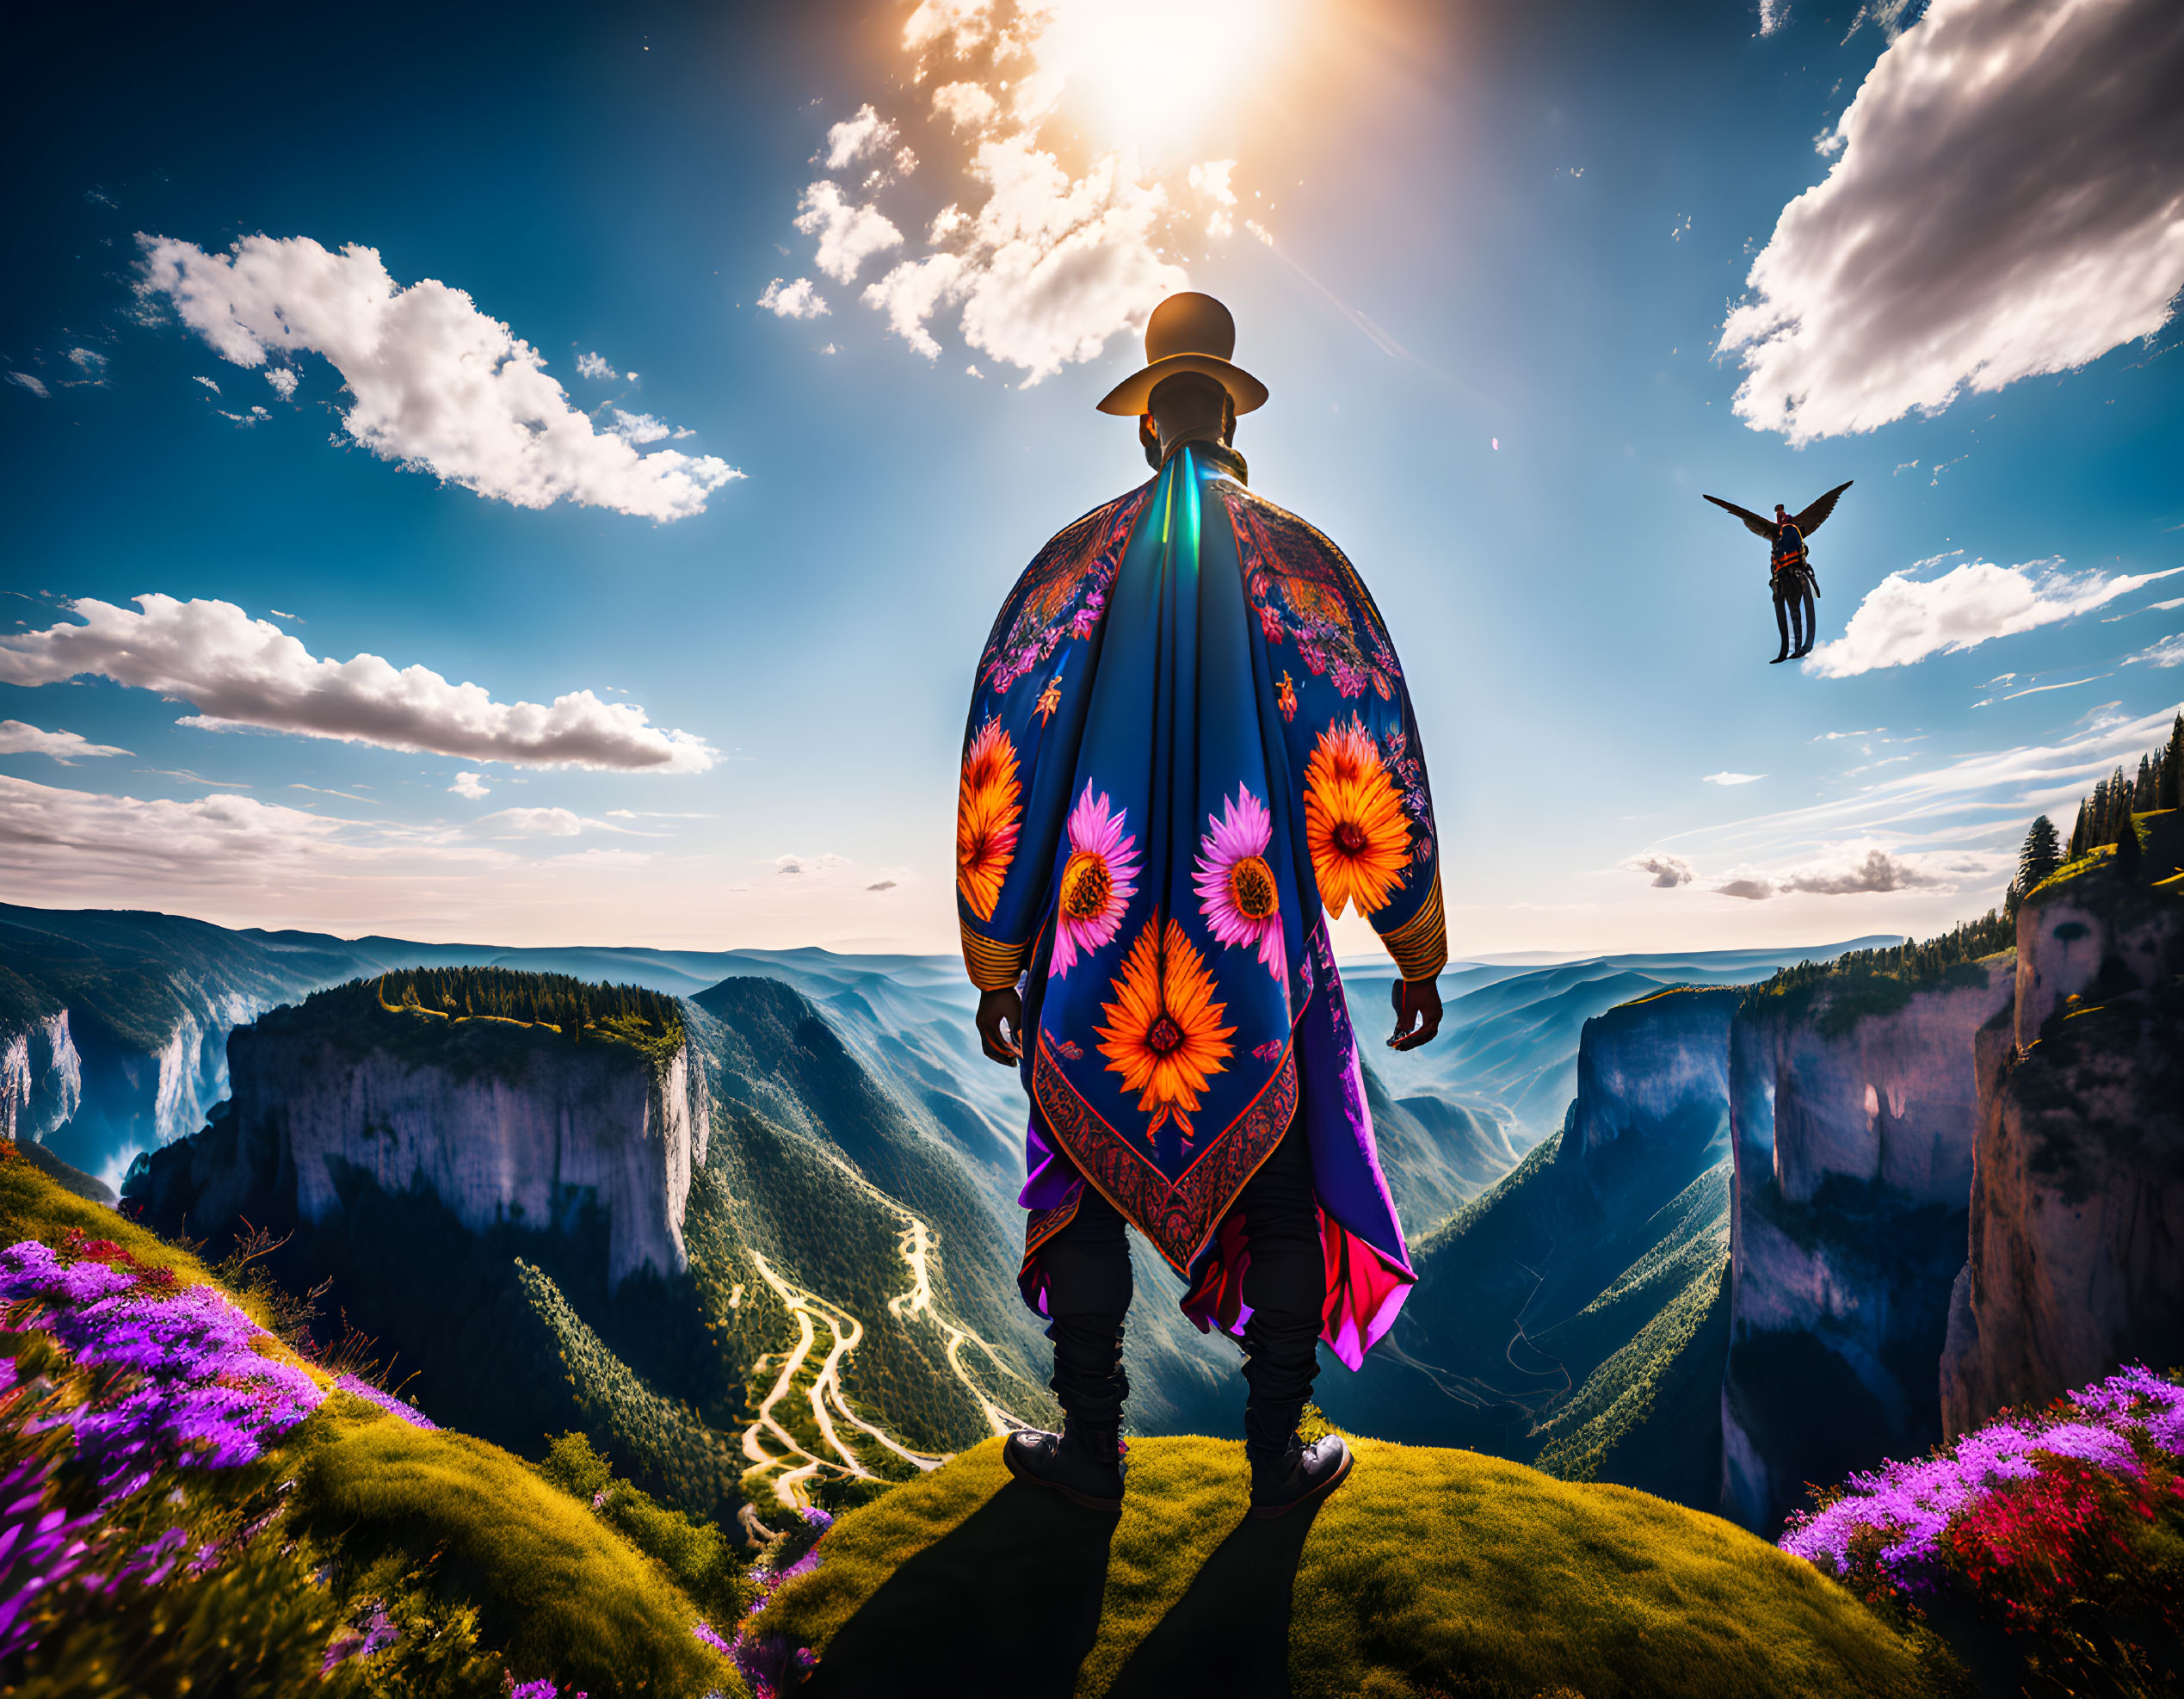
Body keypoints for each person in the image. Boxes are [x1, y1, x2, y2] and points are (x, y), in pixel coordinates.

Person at [954, 292, 1446, 1520]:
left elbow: (1001, 763)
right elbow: (1369, 746)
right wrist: (1411, 937)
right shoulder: (1301, 564)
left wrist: (1001, 957)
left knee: (1081, 1185)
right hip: (1251, 944)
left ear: (1141, 423)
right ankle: (1274, 1459)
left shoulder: (1066, 571)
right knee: (1278, 1196)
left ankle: (1089, 1449)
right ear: (1231, 412)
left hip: (1093, 938)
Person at [1700, 481, 1852, 664]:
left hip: (1794, 572)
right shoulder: (1776, 533)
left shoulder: (1794, 529)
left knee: (1798, 610)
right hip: (1781, 575)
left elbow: (1801, 544)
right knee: (1787, 609)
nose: (1780, 514)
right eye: (1777, 511)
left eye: (1781, 511)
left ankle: (1801, 646)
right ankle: (1788, 648)